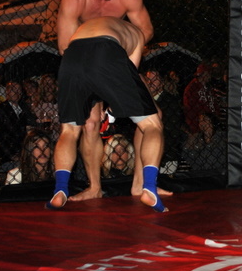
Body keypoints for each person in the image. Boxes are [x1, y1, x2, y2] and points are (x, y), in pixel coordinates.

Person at [53, 0, 154, 202]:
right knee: (89, 122)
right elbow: (65, 45)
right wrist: (96, 88)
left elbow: (145, 31)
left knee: (153, 115)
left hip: (118, 56)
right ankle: (94, 187)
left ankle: (141, 186)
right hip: (83, 59)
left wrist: (117, 67)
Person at [46, 16, 166, 212]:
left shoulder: (94, 25)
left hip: (72, 55)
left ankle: (60, 190)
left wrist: (101, 101)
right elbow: (126, 79)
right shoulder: (137, 34)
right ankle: (150, 189)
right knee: (153, 124)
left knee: (69, 131)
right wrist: (110, 106)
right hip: (106, 51)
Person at [0, 81, 36, 179]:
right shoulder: (0, 110)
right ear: (7, 92)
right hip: (3, 156)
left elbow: (31, 124)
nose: (16, 92)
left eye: (19, 90)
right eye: (13, 89)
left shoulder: (23, 108)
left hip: (20, 152)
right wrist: (12, 155)